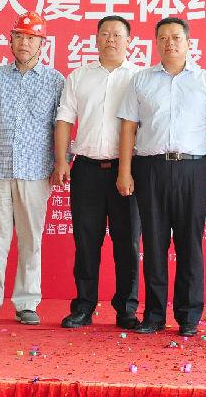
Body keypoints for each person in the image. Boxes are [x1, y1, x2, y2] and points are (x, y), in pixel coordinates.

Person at [116, 17, 206, 337]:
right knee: (154, 242)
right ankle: (154, 314)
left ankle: (189, 315)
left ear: (189, 43)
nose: (170, 43)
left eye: (176, 37)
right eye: (163, 38)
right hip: (151, 168)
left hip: (193, 169)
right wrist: (124, 170)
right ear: (156, 43)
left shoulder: (205, 80)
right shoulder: (141, 80)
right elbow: (128, 127)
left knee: (190, 244)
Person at [0, 11, 64, 326]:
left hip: (36, 171)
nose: (25, 43)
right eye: (19, 36)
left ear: (42, 44)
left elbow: (61, 125)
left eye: (31, 38)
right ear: (10, 41)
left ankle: (26, 302)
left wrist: (61, 161)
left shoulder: (55, 80)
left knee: (30, 239)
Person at [53, 16, 142, 330]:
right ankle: (84, 306)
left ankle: (127, 309)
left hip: (126, 170)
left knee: (127, 243)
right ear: (96, 39)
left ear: (129, 41)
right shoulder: (79, 76)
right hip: (86, 169)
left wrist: (130, 170)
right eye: (105, 34)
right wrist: (62, 161)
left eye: (117, 34)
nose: (111, 40)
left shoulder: (140, 77)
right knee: (86, 241)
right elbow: (64, 119)